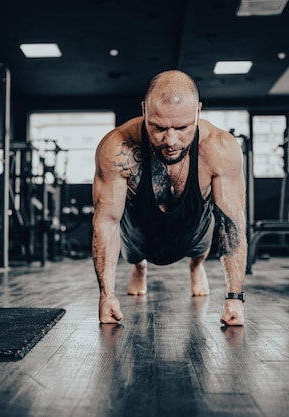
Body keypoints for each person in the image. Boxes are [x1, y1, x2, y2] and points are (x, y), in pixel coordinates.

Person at [91, 69, 247, 326]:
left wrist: (235, 298)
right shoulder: (117, 147)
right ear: (144, 110)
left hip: (194, 223)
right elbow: (106, 222)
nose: (171, 140)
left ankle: (196, 267)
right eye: (159, 127)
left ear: (198, 110)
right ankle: (140, 267)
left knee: (208, 227)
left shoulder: (219, 148)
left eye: (183, 127)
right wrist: (106, 295)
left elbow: (231, 223)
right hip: (139, 225)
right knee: (134, 250)